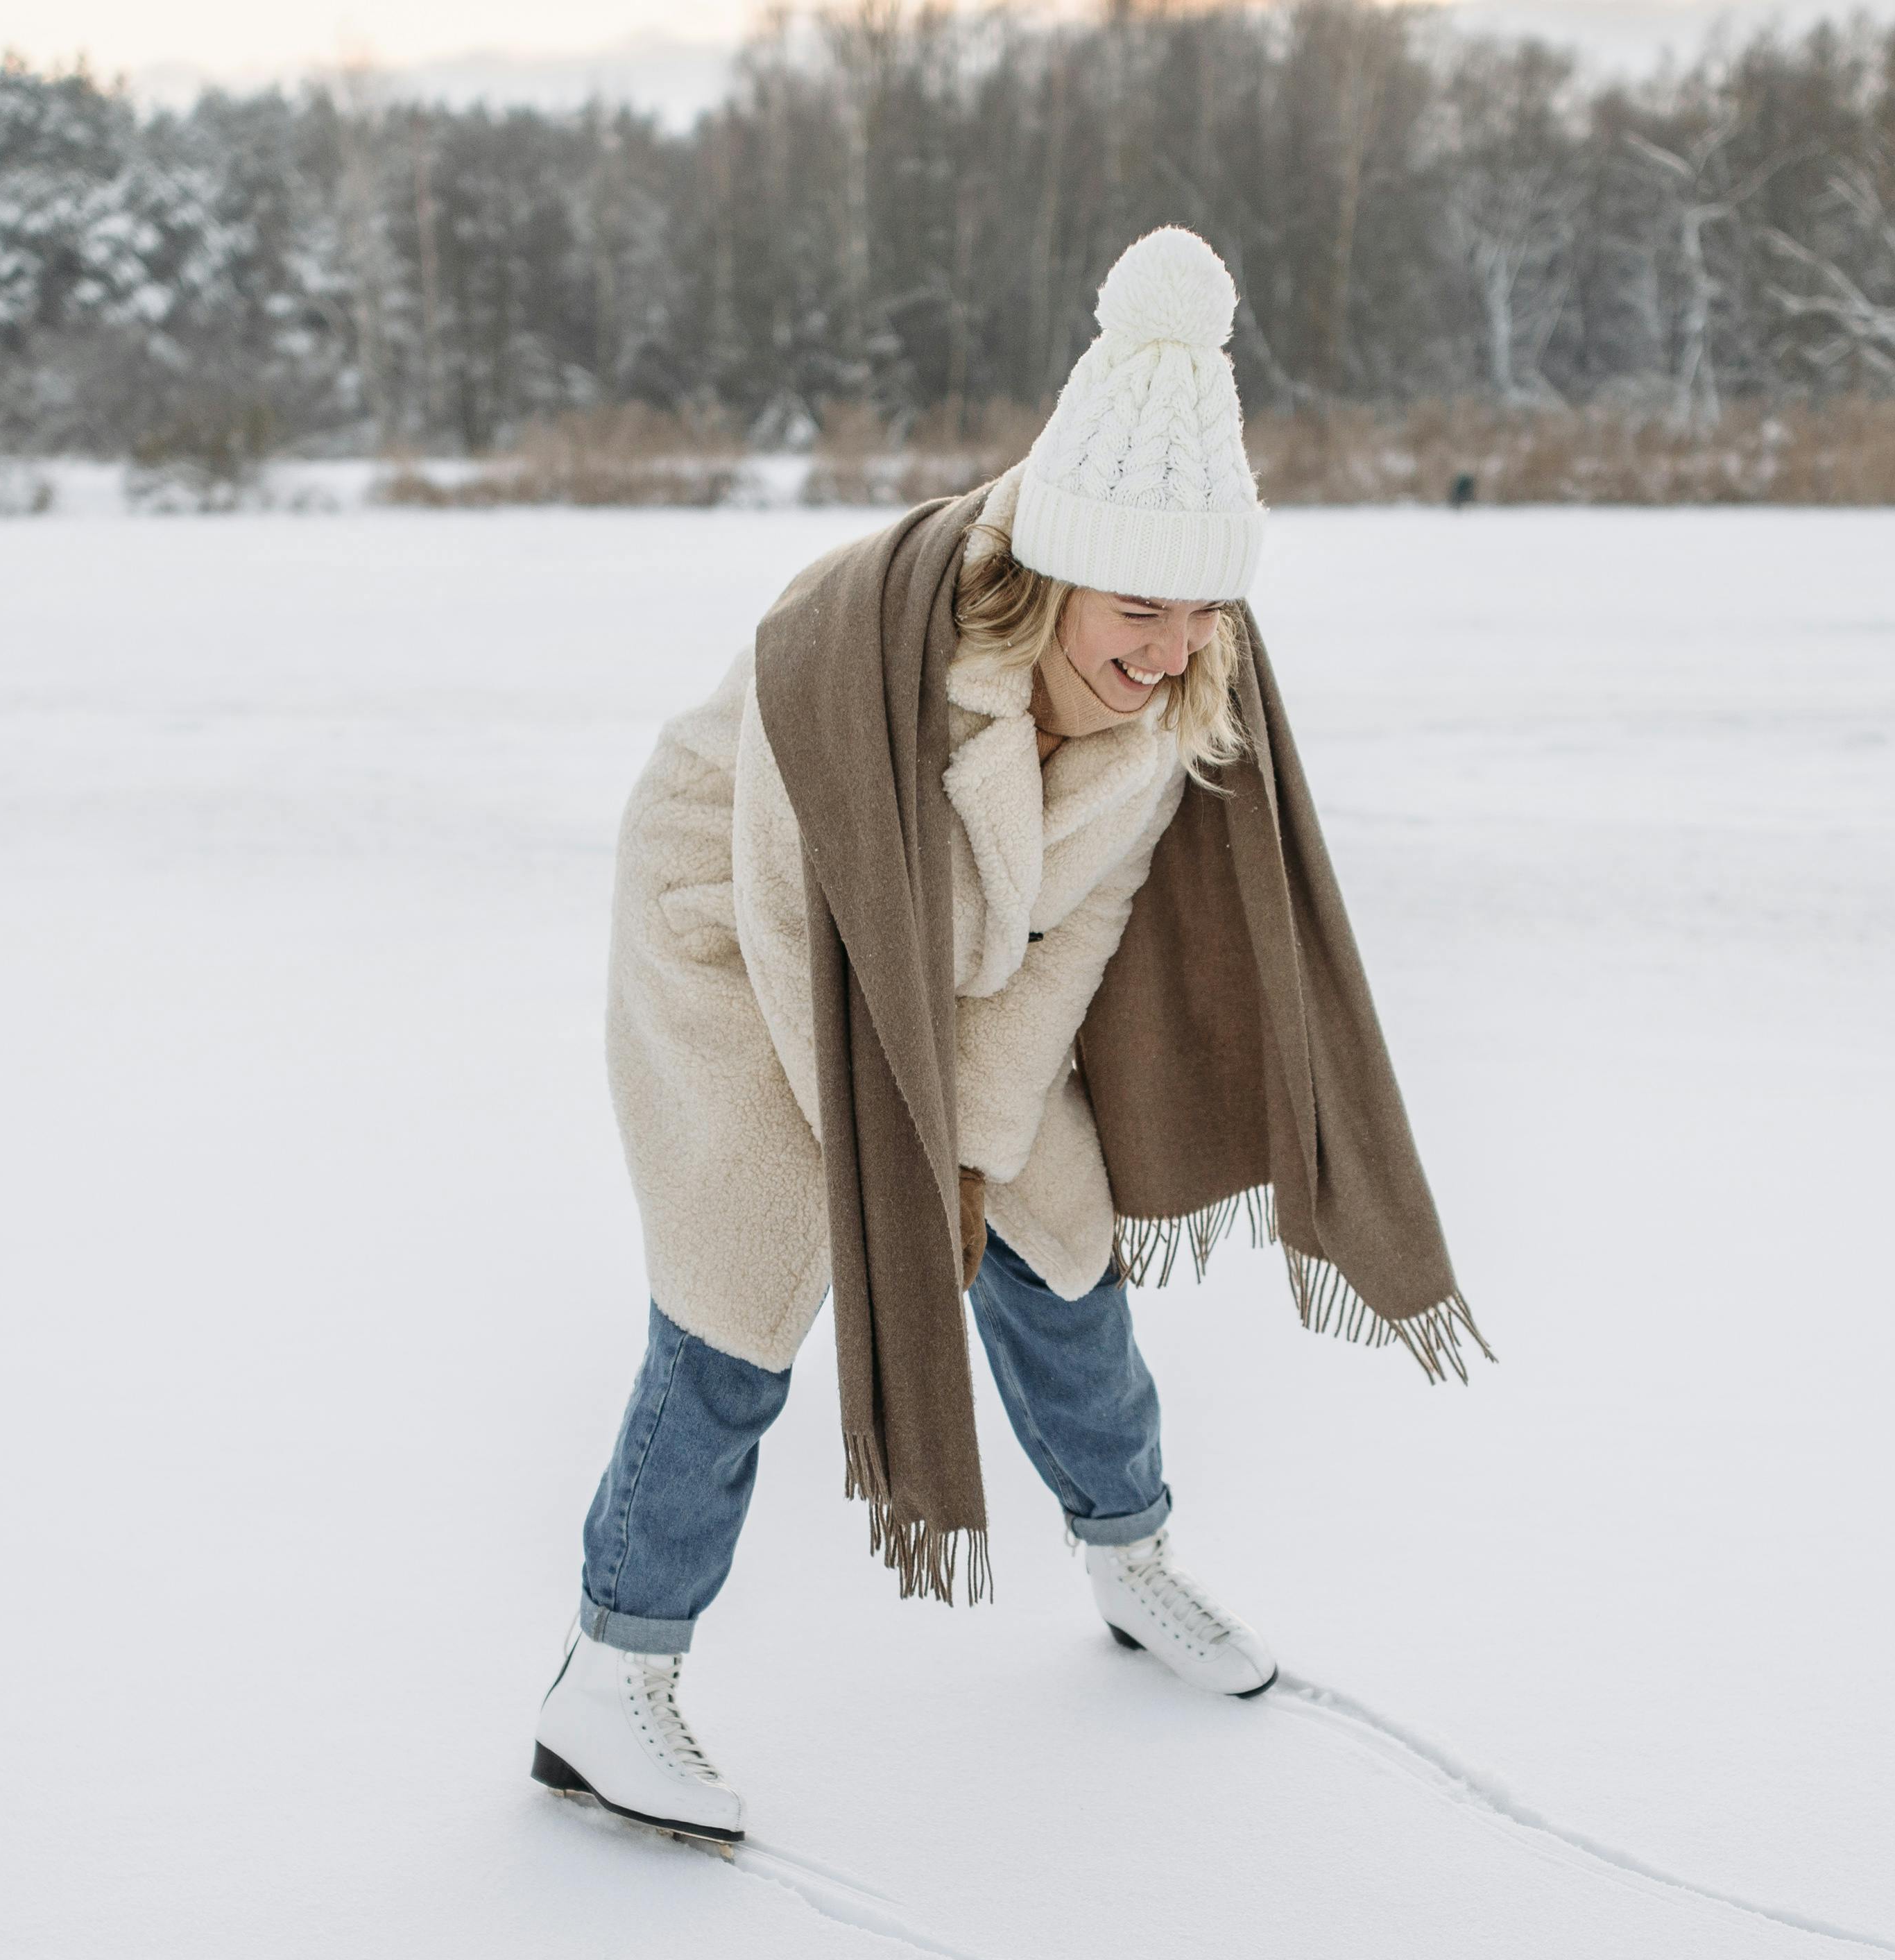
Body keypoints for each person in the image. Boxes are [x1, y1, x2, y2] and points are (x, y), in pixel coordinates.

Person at [537, 228, 1481, 1845]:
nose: (1173, 646)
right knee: (740, 1291)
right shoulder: (856, 647)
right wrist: (897, 1177)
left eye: (1204, 609)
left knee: (1055, 1243)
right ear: (1050, 569)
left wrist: (971, 1151)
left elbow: (1083, 929)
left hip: (959, 961)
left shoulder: (1178, 698)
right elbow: (791, 923)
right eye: (1138, 605)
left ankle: (1132, 1557)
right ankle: (607, 1682)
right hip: (740, 935)